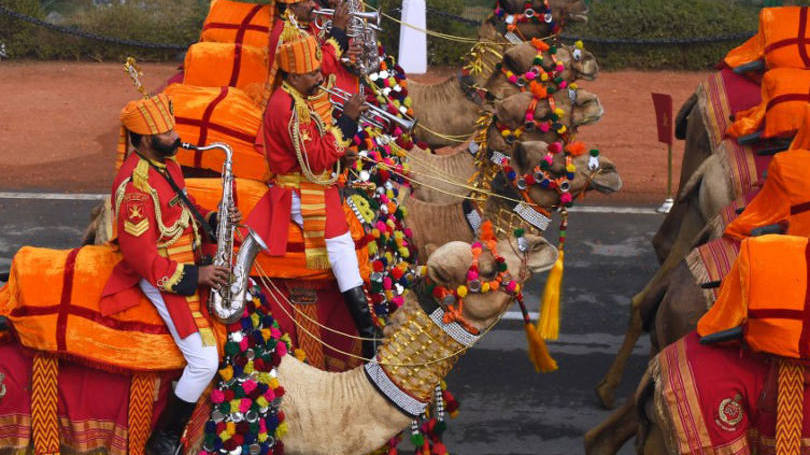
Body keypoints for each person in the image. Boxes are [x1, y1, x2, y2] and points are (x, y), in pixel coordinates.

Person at [100, 93, 240, 455]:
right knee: (204, 360)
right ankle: (163, 440)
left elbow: (184, 204)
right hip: (163, 276)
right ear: (145, 140)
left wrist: (213, 218)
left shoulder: (166, 164)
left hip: (187, 257)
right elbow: (142, 260)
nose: (175, 136)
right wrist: (199, 276)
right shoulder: (134, 189)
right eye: (165, 131)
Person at [246, 29, 383, 359]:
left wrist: (341, 155)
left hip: (312, 181)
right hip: (298, 191)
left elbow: (321, 150)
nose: (320, 76)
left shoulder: (297, 97)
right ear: (293, 74)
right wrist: (348, 121)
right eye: (312, 72)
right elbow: (317, 158)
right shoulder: (287, 107)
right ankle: (368, 334)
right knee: (341, 248)